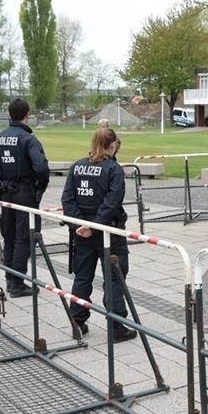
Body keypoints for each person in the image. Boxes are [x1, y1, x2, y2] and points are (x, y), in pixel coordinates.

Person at [61, 127, 136, 342]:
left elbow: (67, 199)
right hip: (107, 231)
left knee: (83, 276)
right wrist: (93, 225)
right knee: (114, 277)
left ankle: (77, 320)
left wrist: (79, 225)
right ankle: (116, 325)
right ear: (112, 145)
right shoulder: (113, 169)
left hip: (82, 232)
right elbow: (112, 202)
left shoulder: (77, 166)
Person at [0, 98, 50, 298]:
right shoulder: (28, 139)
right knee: (24, 237)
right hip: (24, 192)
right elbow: (41, 167)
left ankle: (10, 277)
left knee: (10, 236)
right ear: (27, 114)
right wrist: (40, 187)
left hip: (5, 192)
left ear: (9, 114)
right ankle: (17, 282)